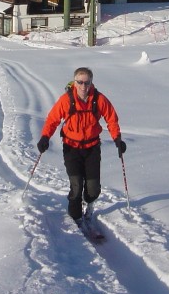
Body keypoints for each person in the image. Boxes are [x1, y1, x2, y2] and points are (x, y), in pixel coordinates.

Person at [37, 67, 126, 226]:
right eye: (80, 82)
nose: (83, 86)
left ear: (91, 83)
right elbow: (52, 120)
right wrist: (45, 137)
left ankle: (90, 203)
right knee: (76, 185)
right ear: (75, 82)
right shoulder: (66, 100)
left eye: (87, 82)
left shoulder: (98, 99)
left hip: (92, 148)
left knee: (93, 188)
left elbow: (111, 119)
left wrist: (117, 139)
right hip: (71, 148)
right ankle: (76, 218)